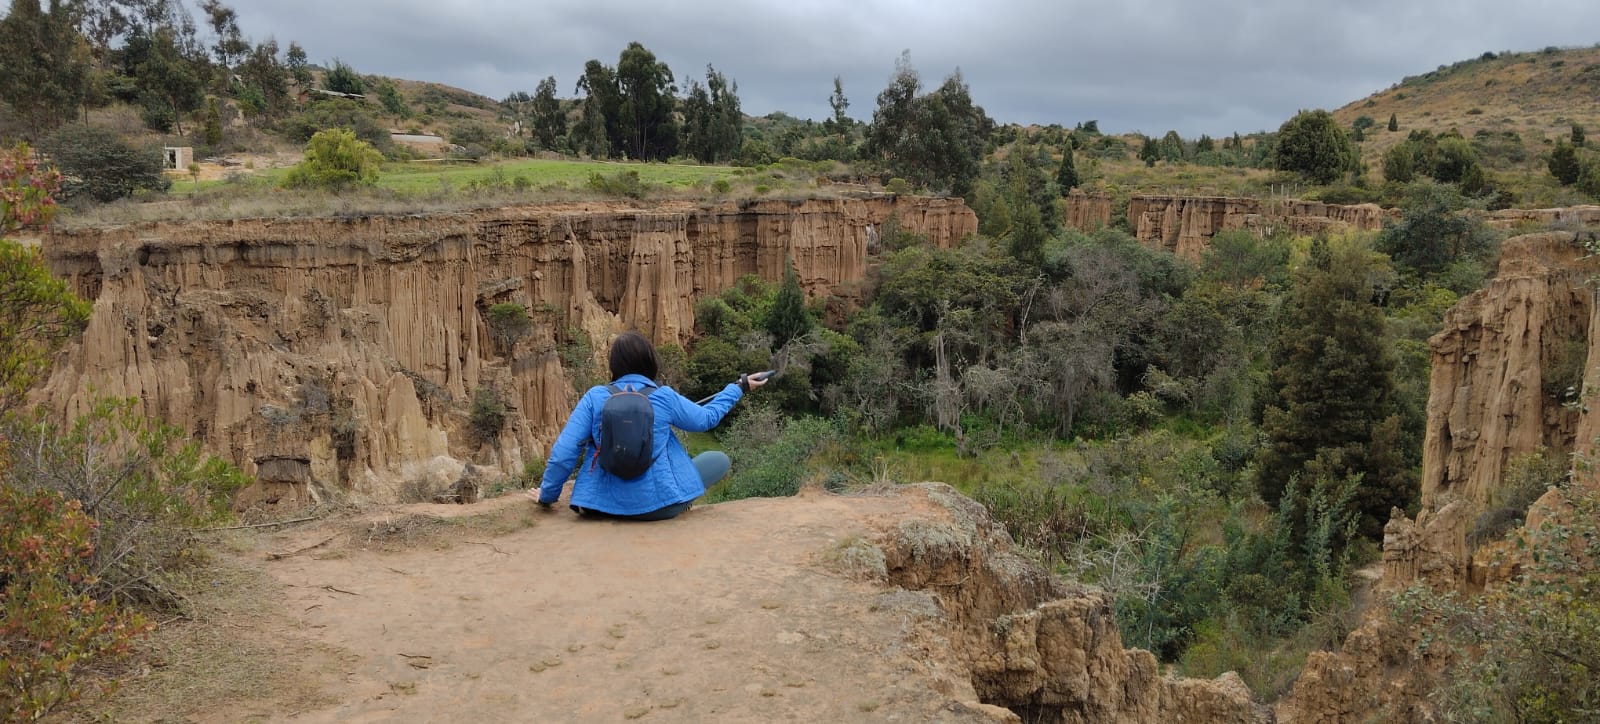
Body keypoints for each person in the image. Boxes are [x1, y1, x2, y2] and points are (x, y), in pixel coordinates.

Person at [528, 331, 768, 521]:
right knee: (718, 459)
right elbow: (706, 419)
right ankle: (676, 500)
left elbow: (563, 453)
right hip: (660, 508)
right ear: (650, 362)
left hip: (598, 508)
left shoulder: (595, 397)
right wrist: (738, 387)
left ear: (614, 365)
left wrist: (547, 497)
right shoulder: (664, 396)